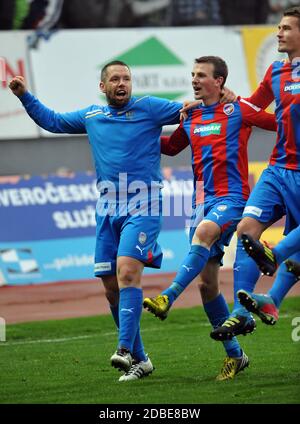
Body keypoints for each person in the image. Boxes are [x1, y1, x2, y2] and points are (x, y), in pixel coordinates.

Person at [9, 60, 183, 382]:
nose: (122, 83)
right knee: (110, 287)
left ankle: (124, 349)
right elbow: (53, 121)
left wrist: (216, 103)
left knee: (128, 272)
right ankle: (141, 361)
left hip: (144, 201)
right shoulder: (93, 116)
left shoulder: (150, 108)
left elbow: (189, 110)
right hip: (107, 206)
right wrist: (24, 96)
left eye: (127, 78)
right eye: (115, 79)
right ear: (103, 87)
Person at [144, 55, 276, 380]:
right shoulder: (190, 116)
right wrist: (131, 133)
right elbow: (171, 147)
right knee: (206, 285)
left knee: (204, 233)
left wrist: (243, 99)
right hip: (200, 201)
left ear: (218, 81)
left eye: (200, 75)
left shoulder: (238, 110)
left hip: (232, 199)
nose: (194, 80)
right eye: (192, 74)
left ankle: (167, 296)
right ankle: (236, 355)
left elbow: (278, 123)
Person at [231, 6, 300, 328]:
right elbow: (253, 108)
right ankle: (240, 315)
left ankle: (272, 296)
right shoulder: (275, 71)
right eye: (279, 27)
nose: (279, 33)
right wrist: (228, 103)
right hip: (278, 169)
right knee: (246, 230)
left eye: (286, 28)